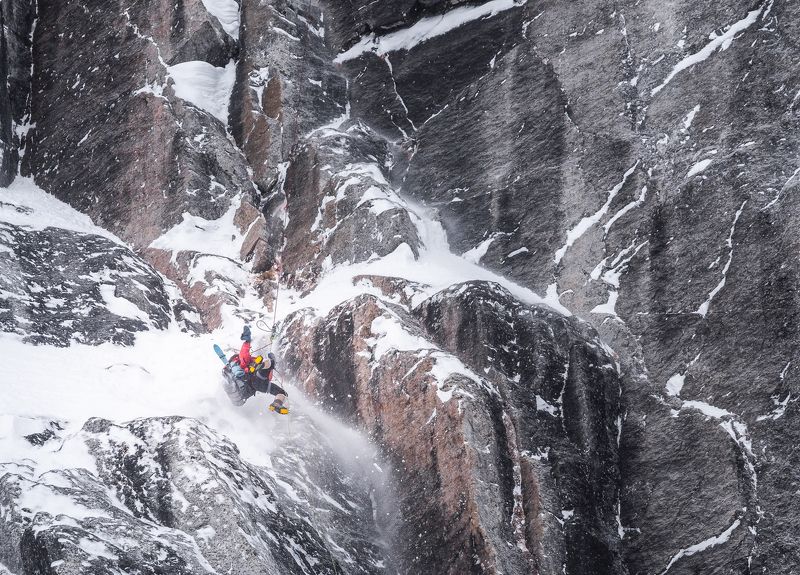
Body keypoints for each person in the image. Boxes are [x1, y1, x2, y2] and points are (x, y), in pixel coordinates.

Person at [229, 325, 288, 414]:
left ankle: (277, 404)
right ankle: (277, 403)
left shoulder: (236, 373)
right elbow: (244, 354)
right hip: (256, 379)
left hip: (256, 385)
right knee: (270, 362)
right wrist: (247, 341)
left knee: (282, 392)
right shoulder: (241, 363)